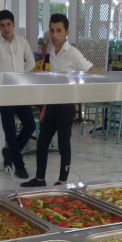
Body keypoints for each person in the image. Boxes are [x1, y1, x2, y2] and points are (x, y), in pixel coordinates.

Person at [21, 13, 92, 187]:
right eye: (52, 31)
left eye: (59, 31)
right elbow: (52, 84)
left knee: (63, 144)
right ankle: (40, 179)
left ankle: (62, 180)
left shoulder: (73, 53)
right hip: (52, 105)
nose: (54, 35)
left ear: (66, 32)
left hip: (66, 106)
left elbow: (91, 71)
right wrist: (45, 107)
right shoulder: (52, 53)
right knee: (42, 142)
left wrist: (77, 92)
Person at [0, 9, 35, 179]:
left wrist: (20, 76)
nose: (6, 28)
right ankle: (20, 166)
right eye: (2, 25)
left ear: (13, 24)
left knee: (30, 125)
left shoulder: (22, 41)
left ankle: (10, 153)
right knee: (9, 131)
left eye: (8, 24)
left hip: (20, 90)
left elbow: (31, 62)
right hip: (2, 92)